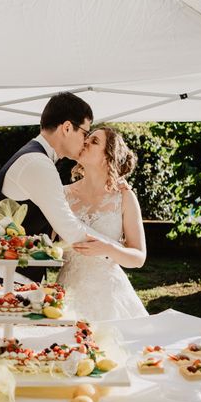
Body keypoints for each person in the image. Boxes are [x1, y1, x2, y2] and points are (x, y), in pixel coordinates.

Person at [0, 92, 115, 284]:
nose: (86, 141)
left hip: (6, 274)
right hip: (2, 279)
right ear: (68, 128)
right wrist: (115, 249)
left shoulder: (34, 157)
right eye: (85, 133)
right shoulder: (38, 163)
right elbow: (68, 227)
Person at [56, 127, 148, 321]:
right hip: (67, 290)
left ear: (108, 156)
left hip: (109, 297)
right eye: (87, 139)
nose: (85, 142)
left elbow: (138, 258)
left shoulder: (124, 197)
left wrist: (108, 248)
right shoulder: (62, 194)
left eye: (94, 141)